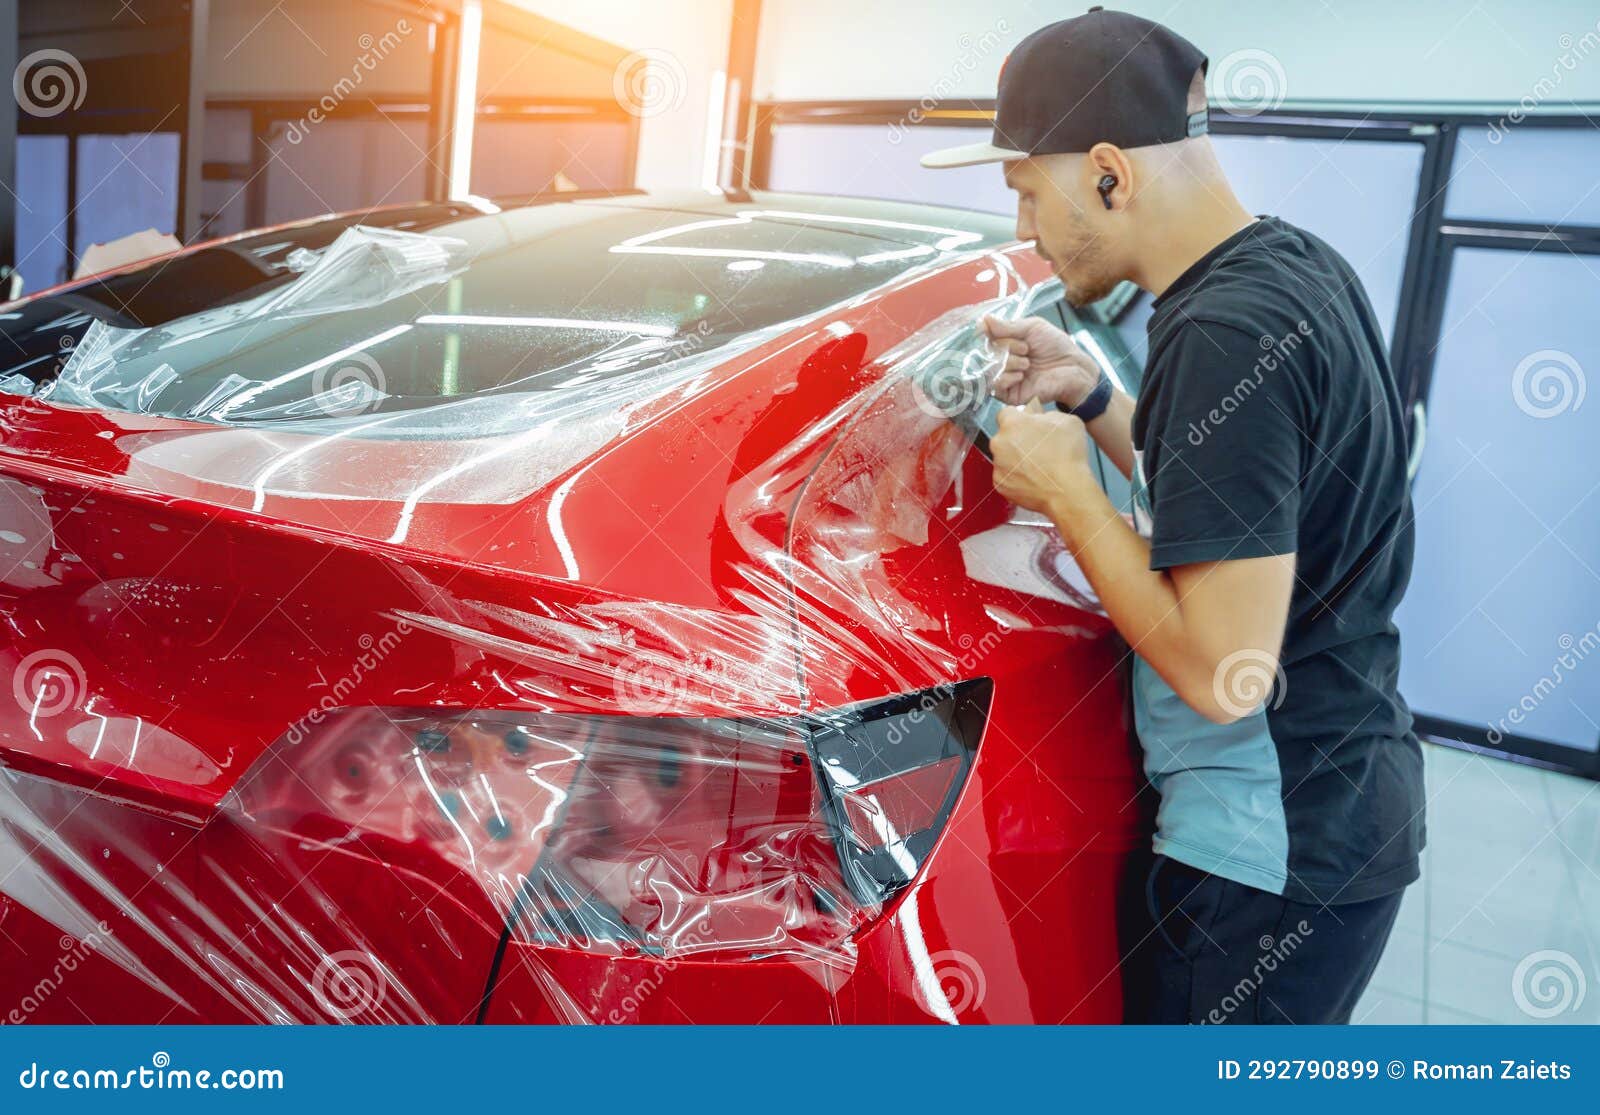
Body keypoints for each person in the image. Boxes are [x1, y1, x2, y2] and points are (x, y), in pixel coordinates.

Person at [921, 8, 1424, 1024]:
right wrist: (1091, 395)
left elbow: (1222, 672)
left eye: (1028, 191)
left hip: (1265, 855)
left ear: (1110, 173)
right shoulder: (1292, 267)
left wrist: (1069, 494)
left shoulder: (1220, 331)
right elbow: (1232, 494)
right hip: (1344, 800)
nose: (1023, 230)